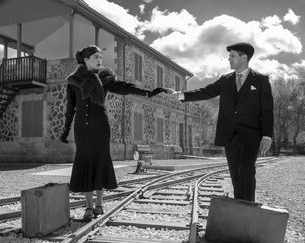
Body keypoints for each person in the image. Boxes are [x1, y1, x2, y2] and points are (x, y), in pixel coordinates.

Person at [60, 45, 170, 221]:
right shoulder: (73, 81)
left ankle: (99, 205)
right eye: (96, 57)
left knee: (100, 162)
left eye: (101, 57)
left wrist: (149, 93)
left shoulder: (105, 79)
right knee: (85, 163)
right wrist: (65, 130)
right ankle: (88, 207)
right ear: (86, 59)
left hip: (101, 127)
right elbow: (70, 108)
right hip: (82, 128)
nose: (100, 60)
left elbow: (125, 87)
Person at [174, 42, 273, 202]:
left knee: (246, 170)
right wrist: (182, 95)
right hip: (229, 135)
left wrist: (267, 135)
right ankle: (240, 206)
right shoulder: (225, 79)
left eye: (232, 56)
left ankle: (248, 205)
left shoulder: (261, 80)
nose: (229, 59)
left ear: (244, 57)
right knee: (235, 173)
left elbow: (267, 110)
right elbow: (206, 92)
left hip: (252, 135)